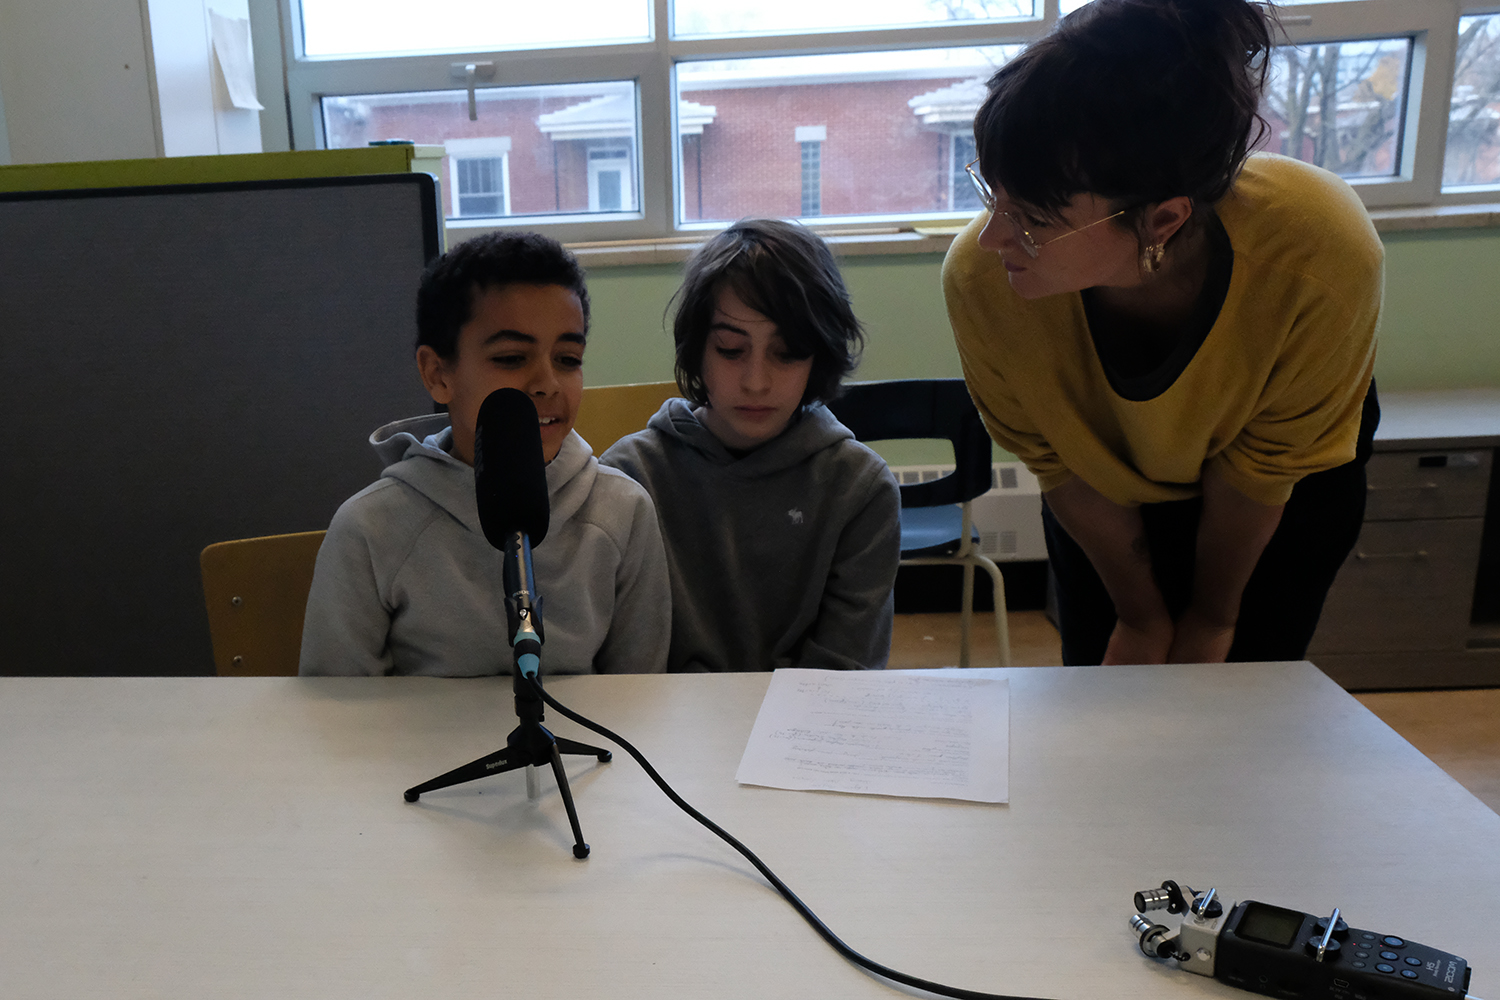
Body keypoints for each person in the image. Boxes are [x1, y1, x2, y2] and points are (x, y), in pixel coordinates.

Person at [943, 0, 1382, 667]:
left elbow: (1262, 473)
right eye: (992, 194)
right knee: (1113, 684)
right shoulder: (984, 282)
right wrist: (1141, 616)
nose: (995, 237)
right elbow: (1061, 466)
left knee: (1240, 691)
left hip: (1276, 495)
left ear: (1162, 220)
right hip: (1109, 489)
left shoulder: (1318, 251)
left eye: (1031, 216)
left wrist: (1211, 617)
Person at [300, 231, 671, 676]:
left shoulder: (623, 513)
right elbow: (337, 713)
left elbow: (640, 696)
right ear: (437, 374)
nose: (547, 383)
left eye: (568, 359)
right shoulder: (369, 531)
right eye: (512, 358)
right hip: (424, 747)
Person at [601, 219, 901, 672]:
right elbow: (615, 669)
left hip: (804, 731)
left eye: (787, 353)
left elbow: (845, 674)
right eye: (729, 349)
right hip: (661, 733)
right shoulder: (629, 477)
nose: (756, 382)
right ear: (697, 350)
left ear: (819, 356)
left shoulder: (860, 488)